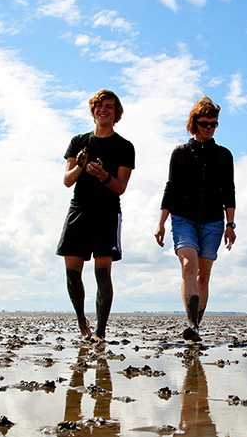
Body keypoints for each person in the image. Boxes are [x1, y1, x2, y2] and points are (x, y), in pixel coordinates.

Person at [155, 97, 236, 343]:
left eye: (214, 124)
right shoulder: (180, 153)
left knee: (203, 275)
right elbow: (170, 189)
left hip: (213, 221)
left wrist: (231, 225)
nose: (210, 128)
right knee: (189, 266)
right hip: (183, 219)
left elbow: (229, 191)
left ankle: (196, 327)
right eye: (205, 123)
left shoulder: (223, 155)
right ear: (194, 124)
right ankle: (191, 324)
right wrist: (160, 222)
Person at [58, 89, 135, 342]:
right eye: (100, 106)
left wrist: (103, 175)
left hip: (106, 213)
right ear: (93, 111)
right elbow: (67, 181)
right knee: (72, 274)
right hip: (78, 210)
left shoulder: (124, 146)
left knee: (103, 274)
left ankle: (100, 331)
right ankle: (82, 321)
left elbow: (121, 186)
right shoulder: (78, 141)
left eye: (110, 106)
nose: (104, 110)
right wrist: (80, 166)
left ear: (116, 113)